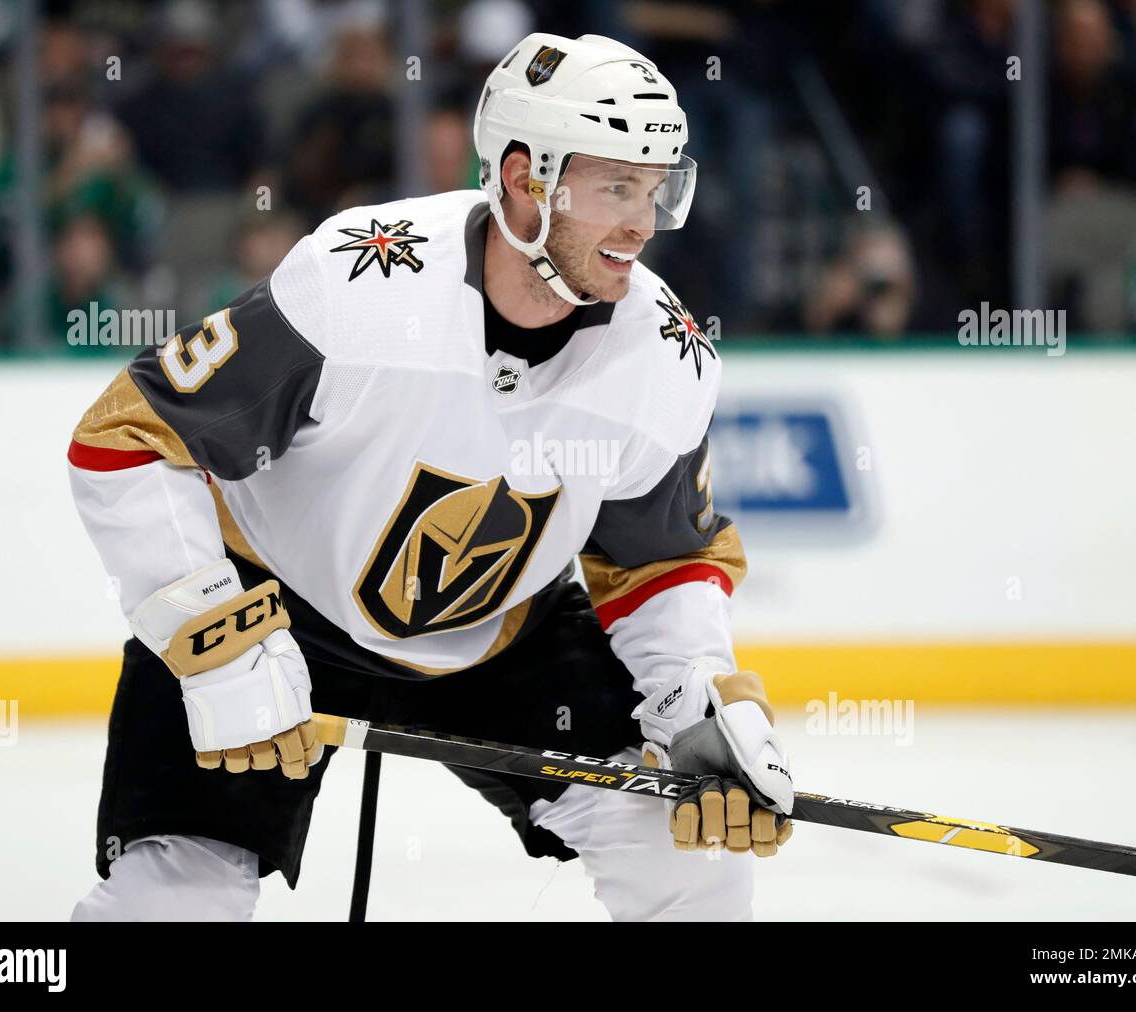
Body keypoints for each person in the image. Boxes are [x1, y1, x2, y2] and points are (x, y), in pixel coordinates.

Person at [66, 32, 793, 923]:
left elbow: (663, 564)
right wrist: (217, 642)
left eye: (655, 189)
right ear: (527, 179)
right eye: (615, 187)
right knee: (172, 900)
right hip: (270, 606)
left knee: (692, 862)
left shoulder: (664, 355)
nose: (641, 224)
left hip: (500, 630)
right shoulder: (362, 282)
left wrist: (695, 707)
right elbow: (130, 440)